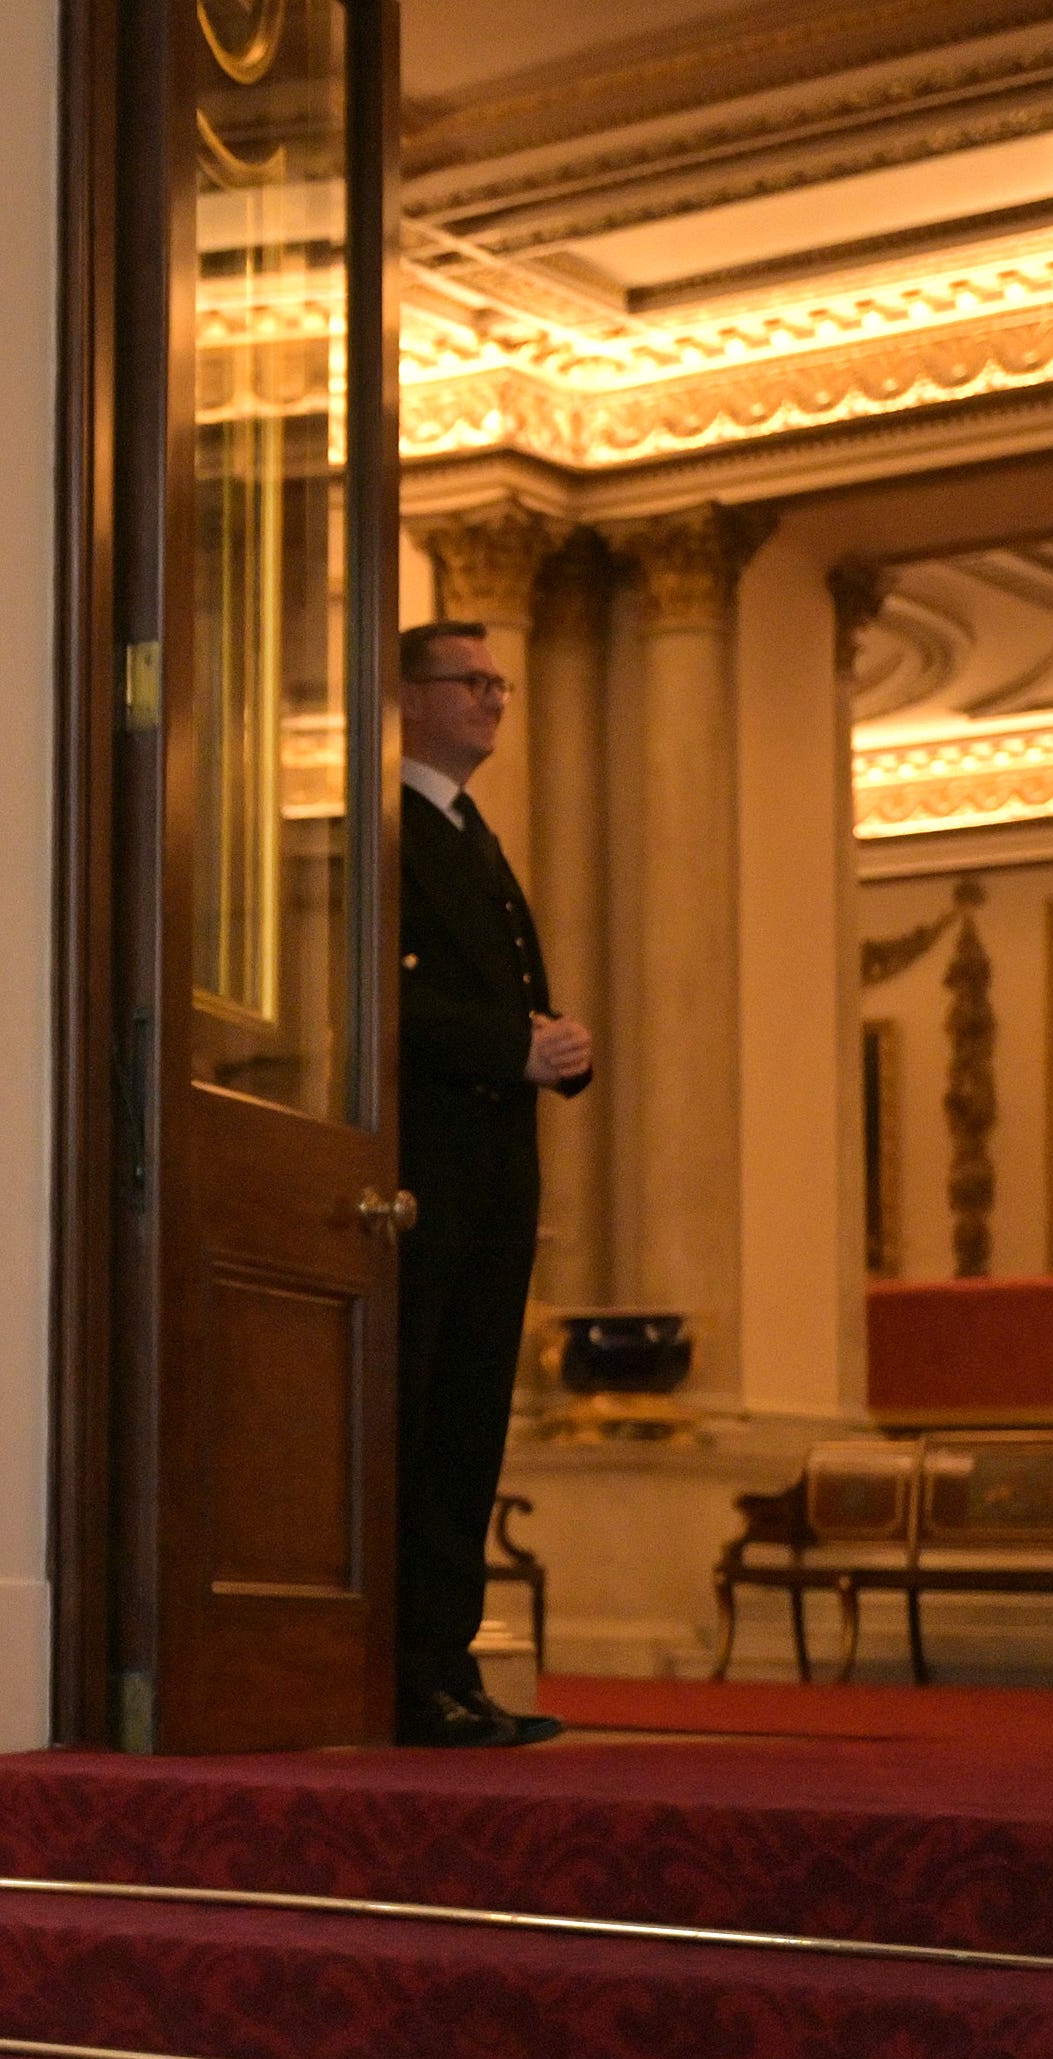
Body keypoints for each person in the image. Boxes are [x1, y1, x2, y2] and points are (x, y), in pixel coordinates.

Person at [395, 620, 592, 1748]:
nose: (491, 701)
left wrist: (557, 1045)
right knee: (420, 1429)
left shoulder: (468, 831)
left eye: (499, 684)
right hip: (426, 1175)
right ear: (409, 697)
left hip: (491, 1179)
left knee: (470, 1430)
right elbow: (383, 998)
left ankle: (450, 1665)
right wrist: (504, 1047)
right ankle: (409, 1674)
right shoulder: (393, 829)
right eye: (470, 682)